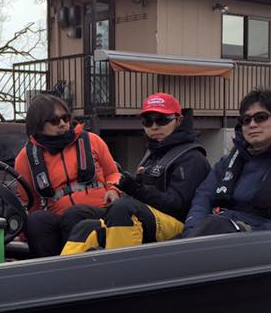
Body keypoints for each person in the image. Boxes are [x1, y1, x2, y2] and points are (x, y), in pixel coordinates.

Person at [61, 93, 210, 254]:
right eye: (148, 121)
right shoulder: (153, 153)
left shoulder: (192, 158)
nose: (154, 126)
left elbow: (177, 207)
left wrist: (136, 189)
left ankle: (119, 266)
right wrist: (129, 187)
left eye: (162, 120)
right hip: (146, 215)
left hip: (179, 227)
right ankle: (64, 268)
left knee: (123, 208)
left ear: (179, 120)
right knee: (79, 218)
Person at [183, 87, 271, 236]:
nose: (252, 124)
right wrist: (192, 230)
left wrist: (254, 233)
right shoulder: (226, 163)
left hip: (262, 243)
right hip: (211, 235)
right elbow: (202, 198)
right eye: (246, 120)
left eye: (261, 117)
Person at [13, 93, 120, 257]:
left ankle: (73, 265)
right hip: (60, 216)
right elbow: (30, 203)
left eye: (65, 118)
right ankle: (50, 269)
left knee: (74, 214)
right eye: (54, 120)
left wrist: (113, 189)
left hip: (100, 210)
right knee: (36, 221)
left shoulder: (92, 140)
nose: (63, 124)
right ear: (38, 125)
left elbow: (113, 173)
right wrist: (23, 233)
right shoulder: (26, 157)